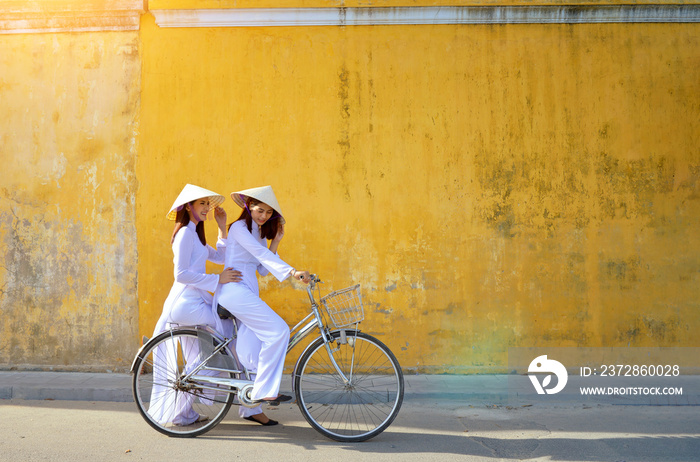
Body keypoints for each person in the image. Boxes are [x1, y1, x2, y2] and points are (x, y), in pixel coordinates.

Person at [215, 185, 311, 426]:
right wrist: (292, 272)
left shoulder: (257, 231)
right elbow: (259, 254)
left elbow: (260, 267)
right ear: (248, 206)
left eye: (269, 213)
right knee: (278, 330)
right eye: (259, 210)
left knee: (250, 350)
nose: (263, 216)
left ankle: (250, 408)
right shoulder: (238, 228)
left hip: (246, 291)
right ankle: (264, 390)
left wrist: (276, 242)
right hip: (235, 291)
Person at [150, 184, 242, 426]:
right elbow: (180, 274)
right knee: (222, 341)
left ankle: (183, 413)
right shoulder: (184, 235)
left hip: (193, 302)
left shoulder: (196, 236)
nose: (206, 208)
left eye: (207, 204)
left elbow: (221, 257)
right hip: (186, 304)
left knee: (197, 360)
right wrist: (217, 279)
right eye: (201, 203)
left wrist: (222, 228)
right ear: (188, 207)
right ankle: (234, 375)